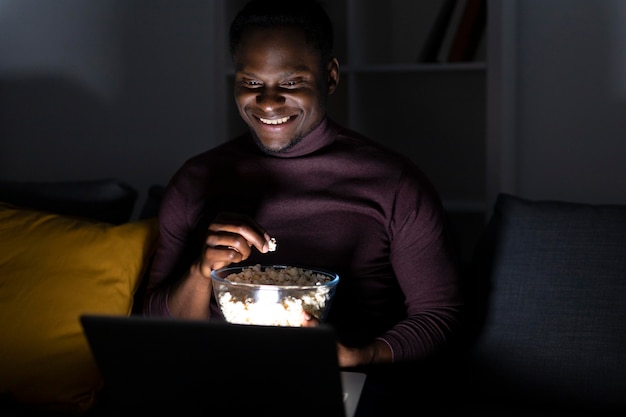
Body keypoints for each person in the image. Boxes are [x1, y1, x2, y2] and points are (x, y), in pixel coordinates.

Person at [144, 0, 462, 374]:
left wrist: (357, 356)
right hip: (218, 380)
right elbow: (151, 326)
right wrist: (201, 272)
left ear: (329, 77)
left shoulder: (394, 184)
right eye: (250, 83)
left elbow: (440, 316)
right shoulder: (196, 179)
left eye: (291, 83)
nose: (267, 102)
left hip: (339, 382)